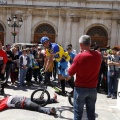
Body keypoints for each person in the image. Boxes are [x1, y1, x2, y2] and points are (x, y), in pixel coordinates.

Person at [68, 35, 102, 120]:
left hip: (80, 88)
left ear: (80, 44)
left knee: (78, 113)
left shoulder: (79, 56)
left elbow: (70, 72)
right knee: (91, 113)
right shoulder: (98, 55)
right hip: (93, 88)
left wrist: (78, 56)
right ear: (90, 44)